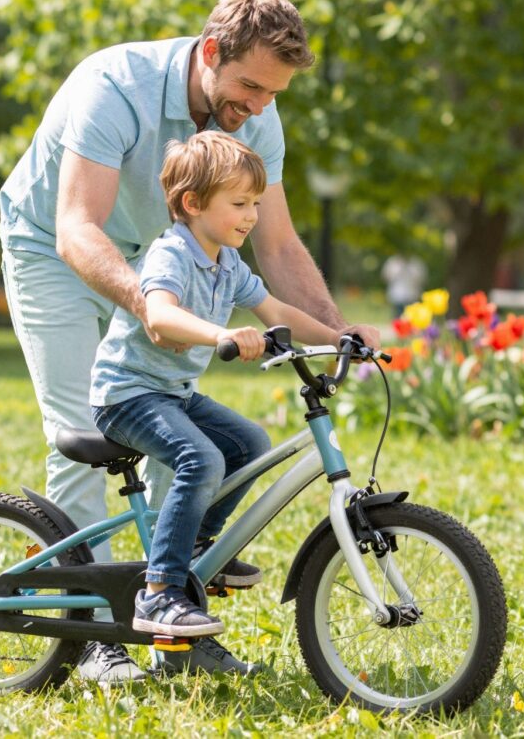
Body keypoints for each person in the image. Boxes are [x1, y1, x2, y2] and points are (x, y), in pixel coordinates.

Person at [0, 0, 379, 682]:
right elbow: (77, 228)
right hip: (54, 251)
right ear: (210, 52)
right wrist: (155, 309)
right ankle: (91, 640)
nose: (260, 106)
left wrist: (334, 329)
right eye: (250, 87)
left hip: (163, 263)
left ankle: (176, 610)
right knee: (89, 434)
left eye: (274, 93)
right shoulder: (116, 86)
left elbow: (279, 246)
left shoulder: (257, 117)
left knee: (184, 441)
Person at [92, 133, 346, 641]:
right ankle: (161, 592)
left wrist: (343, 337)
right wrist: (222, 334)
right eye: (239, 203)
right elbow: (160, 315)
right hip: (127, 394)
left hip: (173, 392)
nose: (252, 215)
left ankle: (199, 549)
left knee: (249, 444)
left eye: (255, 202)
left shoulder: (228, 264)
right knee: (202, 459)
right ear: (192, 204)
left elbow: (279, 313)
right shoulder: (172, 255)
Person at [381, 253, 426, 318]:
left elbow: (421, 279)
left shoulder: (416, 262)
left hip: (412, 295)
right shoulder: (393, 262)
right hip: (397, 295)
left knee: (411, 319)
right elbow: (386, 277)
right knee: (398, 318)